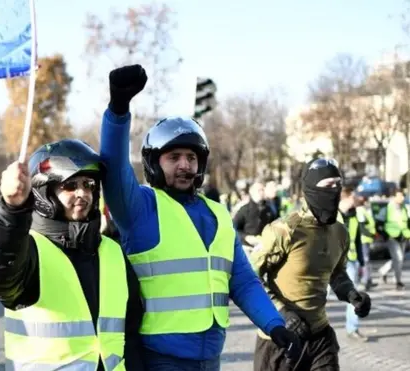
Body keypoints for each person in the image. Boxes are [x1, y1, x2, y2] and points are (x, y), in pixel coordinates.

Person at [99, 64, 299, 370]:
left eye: (192, 157)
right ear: (154, 163)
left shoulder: (218, 213)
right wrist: (117, 112)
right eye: (174, 157)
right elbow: (113, 171)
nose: (185, 165)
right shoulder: (142, 207)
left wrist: (274, 325)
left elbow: (243, 281)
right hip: (159, 359)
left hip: (210, 358)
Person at [0, 139, 145, 370]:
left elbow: (131, 329)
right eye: (70, 185)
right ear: (45, 193)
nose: (83, 193)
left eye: (89, 184)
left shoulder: (113, 252)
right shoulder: (30, 250)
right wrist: (10, 209)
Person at [250, 158, 372, 370]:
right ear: (311, 189)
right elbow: (250, 277)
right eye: (328, 185)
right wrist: (282, 313)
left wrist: (353, 295)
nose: (335, 190)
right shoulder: (284, 230)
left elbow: (337, 273)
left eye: (338, 184)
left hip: (320, 338)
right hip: (279, 340)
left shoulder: (340, 232)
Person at [337, 187, 368, 341]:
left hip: (351, 261)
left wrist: (361, 263)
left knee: (353, 294)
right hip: (332, 262)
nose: (354, 200)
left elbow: (357, 241)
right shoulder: (333, 216)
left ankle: (353, 328)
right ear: (345, 199)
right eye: (352, 198)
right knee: (319, 295)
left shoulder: (354, 216)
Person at [374, 189, 408, 290]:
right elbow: (378, 223)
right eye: (399, 196)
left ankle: (383, 271)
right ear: (394, 197)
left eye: (403, 196)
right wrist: (384, 235)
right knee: (399, 258)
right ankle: (398, 281)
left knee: (398, 259)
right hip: (392, 237)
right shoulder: (386, 209)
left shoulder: (404, 208)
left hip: (403, 236)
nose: (402, 198)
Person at [233, 181, 277, 253]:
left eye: (262, 189)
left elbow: (274, 226)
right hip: (247, 248)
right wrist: (246, 237)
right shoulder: (244, 210)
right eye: (259, 190)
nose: (261, 192)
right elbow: (233, 228)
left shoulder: (269, 210)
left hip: (264, 247)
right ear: (252, 192)